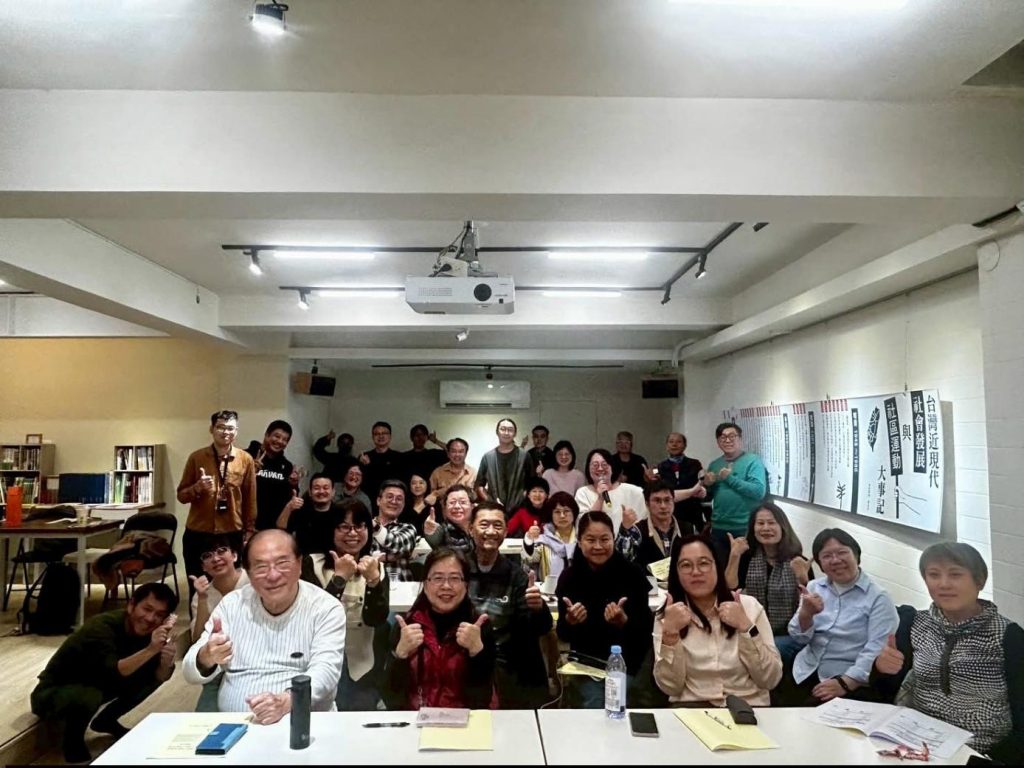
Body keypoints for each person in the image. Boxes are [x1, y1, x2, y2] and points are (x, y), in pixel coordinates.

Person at [872, 542, 1023, 762]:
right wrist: (880, 669)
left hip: (979, 750)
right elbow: (883, 691)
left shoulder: (1008, 636)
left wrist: (989, 758)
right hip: (916, 741)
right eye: (934, 575)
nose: (944, 584)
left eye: (955, 574)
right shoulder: (915, 623)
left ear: (979, 581)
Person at [182, 529, 346, 720]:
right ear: (248, 573)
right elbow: (189, 671)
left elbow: (326, 671)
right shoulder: (232, 605)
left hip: (303, 721)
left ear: (299, 564)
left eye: (282, 563)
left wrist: (287, 701)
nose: (273, 575)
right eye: (260, 567)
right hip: (235, 725)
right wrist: (207, 656)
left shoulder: (325, 607)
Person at [31, 583, 179, 763]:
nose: (150, 618)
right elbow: (114, 671)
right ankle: (72, 741)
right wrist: (151, 650)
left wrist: (165, 661)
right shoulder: (101, 626)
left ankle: (106, 721)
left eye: (159, 615)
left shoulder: (152, 634)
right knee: (89, 694)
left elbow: (160, 676)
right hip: (54, 692)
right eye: (147, 609)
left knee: (151, 677)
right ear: (131, 605)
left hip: (97, 684)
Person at [652, 535, 782, 706]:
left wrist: (746, 628)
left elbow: (770, 680)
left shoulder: (749, 607)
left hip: (747, 706)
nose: (696, 572)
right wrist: (670, 635)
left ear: (717, 567)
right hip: (692, 709)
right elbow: (671, 688)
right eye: (686, 565)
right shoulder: (669, 615)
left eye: (704, 563)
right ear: (676, 573)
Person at [781, 528, 898, 706]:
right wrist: (806, 614)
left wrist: (845, 683)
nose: (835, 560)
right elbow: (799, 638)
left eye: (842, 552)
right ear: (820, 564)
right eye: (827, 556)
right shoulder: (814, 588)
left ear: (856, 556)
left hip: (848, 679)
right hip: (805, 669)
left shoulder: (878, 597)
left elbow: (875, 649)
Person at [555, 510, 653, 708]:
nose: (598, 546)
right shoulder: (569, 578)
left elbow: (646, 632)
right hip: (586, 664)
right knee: (595, 701)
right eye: (590, 540)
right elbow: (563, 634)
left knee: (620, 698)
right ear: (579, 542)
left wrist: (624, 621)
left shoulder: (632, 574)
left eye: (604, 539)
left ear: (613, 539)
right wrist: (570, 621)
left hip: (629, 662)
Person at [300, 500, 390, 711]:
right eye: (344, 527)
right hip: (318, 662)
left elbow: (377, 619)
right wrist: (339, 579)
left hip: (363, 664)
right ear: (331, 530)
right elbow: (309, 619)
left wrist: (374, 582)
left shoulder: (376, 568)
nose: (353, 533)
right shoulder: (312, 564)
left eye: (359, 526)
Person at [385, 548, 496, 709]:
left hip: (464, 720)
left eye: (455, 578)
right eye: (438, 578)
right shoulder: (407, 626)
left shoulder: (478, 627)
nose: (446, 586)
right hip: (416, 719)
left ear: (466, 585)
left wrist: (477, 655)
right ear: (425, 584)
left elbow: (482, 701)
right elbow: (390, 699)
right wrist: (400, 656)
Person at [467, 502, 553, 708]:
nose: (490, 531)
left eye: (497, 526)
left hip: (508, 664)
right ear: (470, 529)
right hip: (465, 659)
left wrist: (537, 608)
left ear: (506, 531)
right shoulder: (457, 569)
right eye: (484, 524)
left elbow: (541, 628)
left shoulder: (517, 576)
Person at [176, 410, 257, 598]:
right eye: (220, 427)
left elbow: (250, 498)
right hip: (199, 532)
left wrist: (249, 530)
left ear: (236, 431)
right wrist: (197, 487)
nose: (225, 432)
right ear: (212, 429)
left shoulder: (245, 459)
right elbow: (181, 495)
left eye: (230, 428)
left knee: (234, 588)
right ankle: (199, 617)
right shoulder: (197, 457)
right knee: (198, 587)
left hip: (231, 532)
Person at [724, 500, 812, 659]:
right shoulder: (747, 557)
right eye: (760, 523)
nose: (766, 528)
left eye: (771, 523)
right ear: (753, 528)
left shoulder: (797, 561)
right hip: (750, 627)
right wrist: (734, 555)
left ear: (783, 527)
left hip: (789, 634)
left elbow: (811, 603)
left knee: (767, 649)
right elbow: (730, 588)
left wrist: (803, 579)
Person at [188, 536, 249, 712]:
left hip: (252, 657)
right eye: (207, 556)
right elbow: (197, 641)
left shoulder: (253, 581)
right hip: (221, 666)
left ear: (235, 556)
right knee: (205, 716)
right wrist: (202, 598)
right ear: (203, 567)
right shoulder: (202, 594)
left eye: (222, 551)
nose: (215, 558)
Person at [703, 423, 767, 560]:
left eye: (732, 436)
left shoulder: (753, 461)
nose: (727, 440)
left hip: (744, 528)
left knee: (744, 569)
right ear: (718, 442)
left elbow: (758, 491)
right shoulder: (714, 464)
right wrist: (707, 485)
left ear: (740, 439)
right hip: (719, 527)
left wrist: (730, 478)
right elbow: (709, 496)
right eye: (723, 437)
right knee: (720, 569)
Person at [574, 447, 646, 537]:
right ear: (588, 469)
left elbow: (645, 523)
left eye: (604, 465)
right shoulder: (582, 493)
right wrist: (600, 499)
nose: (600, 469)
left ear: (612, 467)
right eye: (595, 465)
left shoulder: (633, 491)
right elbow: (582, 528)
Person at [626, 479, 695, 568]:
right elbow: (626, 561)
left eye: (667, 500)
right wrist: (624, 530)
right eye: (657, 500)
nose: (663, 506)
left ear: (673, 501)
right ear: (647, 504)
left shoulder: (688, 528)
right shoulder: (637, 530)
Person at [245, 419, 296, 532]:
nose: (280, 441)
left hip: (272, 529)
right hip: (245, 527)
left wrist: (293, 484)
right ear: (267, 435)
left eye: (285, 439)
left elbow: (289, 497)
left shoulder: (287, 466)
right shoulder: (246, 457)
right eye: (277, 436)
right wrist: (249, 472)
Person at [475, 418, 532, 510]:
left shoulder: (524, 455)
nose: (506, 433)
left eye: (510, 430)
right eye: (503, 429)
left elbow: (532, 483)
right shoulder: (488, 457)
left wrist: (520, 500)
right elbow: (479, 485)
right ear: (497, 432)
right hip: (494, 510)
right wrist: (491, 502)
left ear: (515, 433)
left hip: (520, 509)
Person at [654, 432, 706, 531]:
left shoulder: (695, 464)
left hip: (692, 512)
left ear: (684, 446)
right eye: (671, 442)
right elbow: (658, 488)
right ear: (666, 446)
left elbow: (701, 484)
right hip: (670, 513)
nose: (674, 444)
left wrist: (703, 489)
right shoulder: (659, 467)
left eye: (678, 442)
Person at [522, 492, 579, 582]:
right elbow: (529, 562)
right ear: (551, 515)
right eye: (557, 512)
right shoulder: (542, 541)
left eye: (566, 511)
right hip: (548, 589)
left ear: (574, 513)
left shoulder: (582, 540)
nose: (562, 516)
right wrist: (529, 539)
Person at [370, 479, 419, 581]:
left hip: (398, 584)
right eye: (389, 497)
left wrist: (375, 527)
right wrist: (388, 557)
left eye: (399, 499)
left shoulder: (408, 528)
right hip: (366, 584)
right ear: (378, 501)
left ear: (403, 505)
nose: (394, 501)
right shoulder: (364, 528)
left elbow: (398, 545)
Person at [277, 472, 336, 555]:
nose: (321, 491)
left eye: (326, 488)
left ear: (333, 492)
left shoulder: (340, 513)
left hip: (331, 559)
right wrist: (288, 507)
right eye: (316, 488)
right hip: (304, 558)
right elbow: (280, 529)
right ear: (310, 492)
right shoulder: (301, 510)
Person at [423, 484, 476, 557]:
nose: (457, 506)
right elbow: (434, 542)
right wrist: (429, 533)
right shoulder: (443, 530)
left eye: (463, 502)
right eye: (452, 503)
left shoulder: (480, 525)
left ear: (472, 506)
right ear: (444, 508)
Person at [358, 421, 404, 500]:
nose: (381, 436)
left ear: (390, 436)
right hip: (368, 498)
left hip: (391, 499)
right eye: (377, 434)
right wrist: (364, 466)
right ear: (372, 437)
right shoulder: (364, 457)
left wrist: (370, 466)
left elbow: (397, 481)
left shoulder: (399, 457)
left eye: (384, 433)